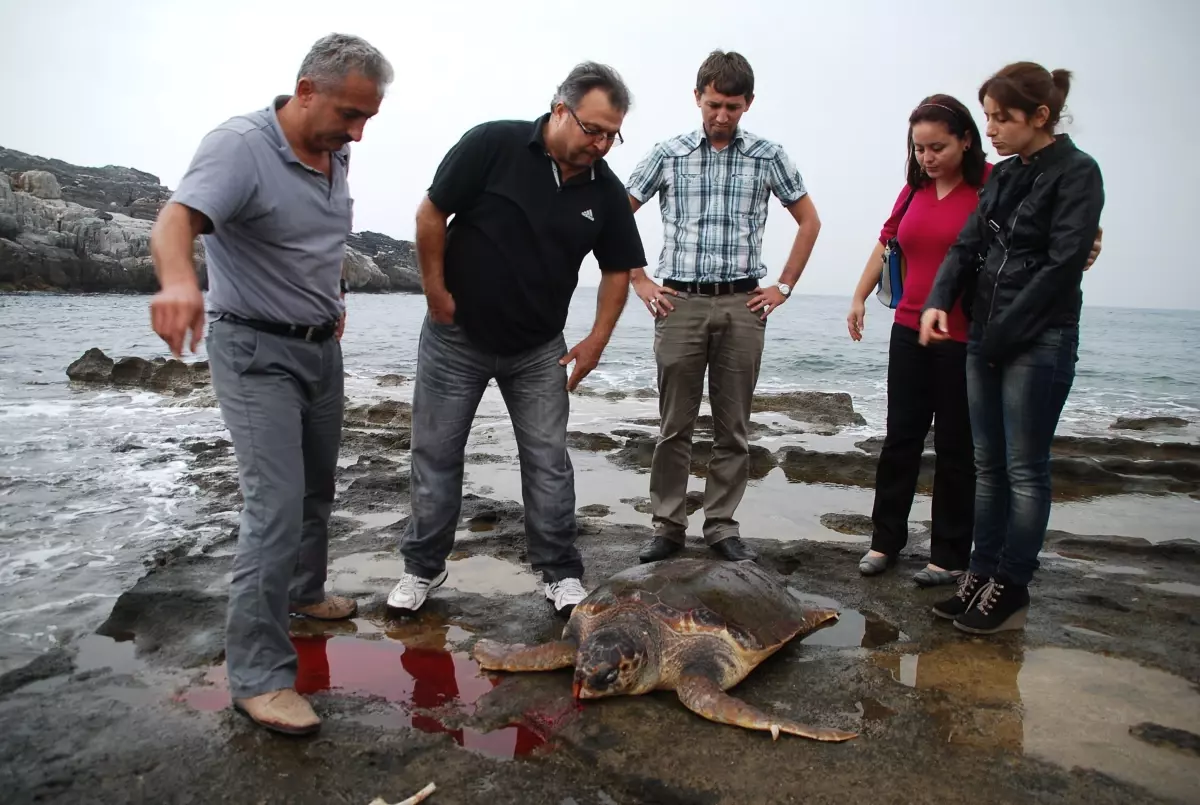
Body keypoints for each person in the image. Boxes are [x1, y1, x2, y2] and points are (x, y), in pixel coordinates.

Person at [148, 33, 392, 735]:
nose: (358, 134)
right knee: (275, 505)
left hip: (321, 349)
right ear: (305, 89)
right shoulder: (239, 147)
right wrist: (177, 280)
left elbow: (317, 238)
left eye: (368, 119)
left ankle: (305, 591)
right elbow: (176, 220)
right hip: (255, 349)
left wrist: (333, 298)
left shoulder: (334, 148)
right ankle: (257, 677)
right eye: (350, 115)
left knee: (318, 487)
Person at [387, 62, 647, 616]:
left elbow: (619, 269)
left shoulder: (605, 191)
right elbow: (432, 211)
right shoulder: (492, 144)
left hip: (537, 349)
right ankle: (422, 569)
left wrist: (597, 339)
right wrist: (435, 292)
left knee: (548, 459)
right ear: (560, 110)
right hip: (455, 338)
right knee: (435, 455)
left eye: (611, 134)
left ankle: (559, 574)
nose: (601, 143)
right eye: (592, 129)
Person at [847, 97, 1102, 587]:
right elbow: (887, 243)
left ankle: (947, 555)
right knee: (899, 439)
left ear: (966, 140)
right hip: (908, 328)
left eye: (937, 146)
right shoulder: (911, 191)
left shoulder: (994, 184)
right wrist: (859, 297)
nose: (927, 157)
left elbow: (1050, 228)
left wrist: (1091, 241)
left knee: (956, 447)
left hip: (967, 334)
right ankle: (884, 542)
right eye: (919, 148)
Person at [920, 61, 1105, 634]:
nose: (992, 130)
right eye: (989, 118)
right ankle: (978, 576)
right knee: (988, 465)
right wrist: (938, 299)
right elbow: (968, 244)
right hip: (987, 334)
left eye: (1002, 119)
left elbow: (1061, 266)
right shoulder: (1003, 176)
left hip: (1039, 339)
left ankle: (1012, 585)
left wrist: (999, 335)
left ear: (1040, 116)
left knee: (1025, 469)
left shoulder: (1077, 173)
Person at [625, 50, 821, 565]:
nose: (721, 116)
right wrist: (639, 279)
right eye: (713, 104)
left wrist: (784, 285)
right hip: (679, 303)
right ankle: (667, 527)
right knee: (674, 427)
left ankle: (720, 526)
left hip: (742, 303)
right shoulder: (667, 153)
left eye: (732, 106)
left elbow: (809, 221)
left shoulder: (768, 155)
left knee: (734, 428)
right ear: (697, 97)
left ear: (747, 104)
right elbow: (616, 215)